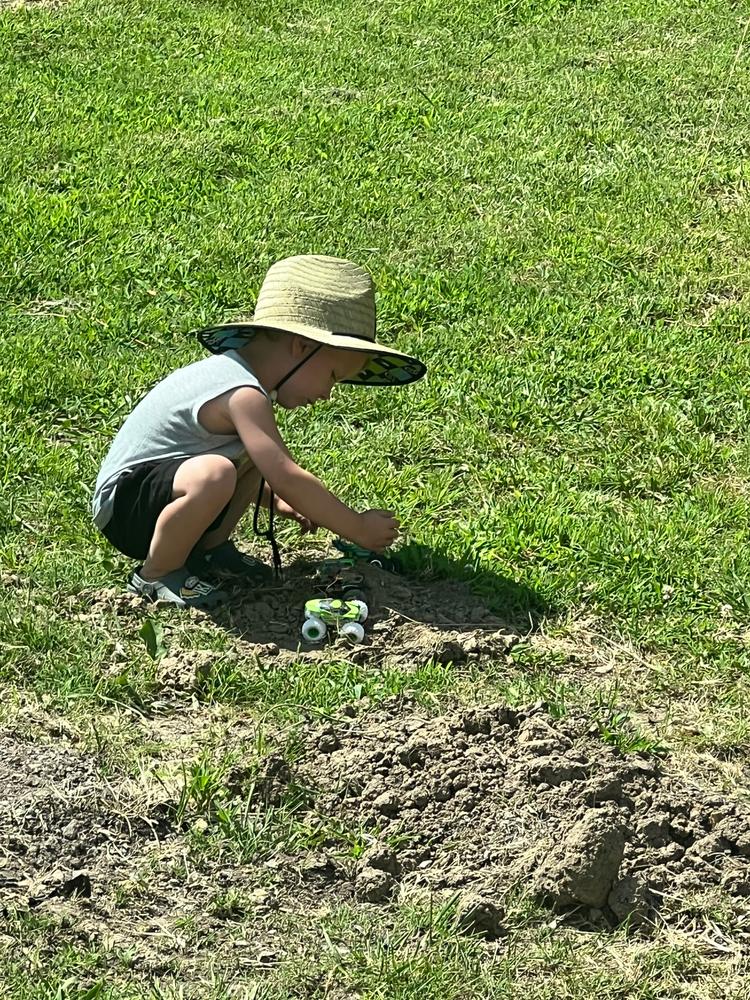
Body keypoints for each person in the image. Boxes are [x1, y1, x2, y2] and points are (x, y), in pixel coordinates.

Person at [92, 254, 427, 608]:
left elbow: (266, 472)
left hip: (156, 497)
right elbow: (285, 474)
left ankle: (208, 552)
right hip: (125, 508)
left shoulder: (246, 384)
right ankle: (156, 574)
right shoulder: (241, 392)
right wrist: (356, 527)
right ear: (302, 346)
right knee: (215, 473)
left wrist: (277, 502)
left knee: (244, 457)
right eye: (332, 376)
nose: (328, 394)